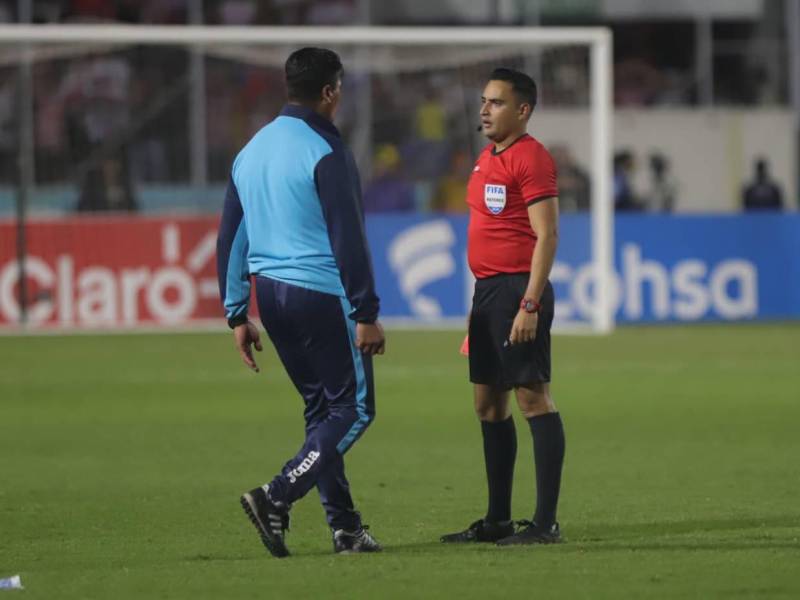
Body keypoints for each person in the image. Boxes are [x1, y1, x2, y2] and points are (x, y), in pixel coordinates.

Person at [216, 47, 385, 558]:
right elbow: (348, 236)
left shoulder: (252, 149)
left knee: (321, 416)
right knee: (353, 411)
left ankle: (347, 529)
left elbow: (231, 236)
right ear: (331, 92)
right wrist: (366, 312)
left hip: (271, 295)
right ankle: (276, 495)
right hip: (319, 292)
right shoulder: (326, 150)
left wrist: (237, 311)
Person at [440, 68, 565, 546]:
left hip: (518, 292)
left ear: (523, 110)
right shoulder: (486, 156)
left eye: (495, 102)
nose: (484, 110)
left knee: (533, 398)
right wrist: (482, 314)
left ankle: (545, 524)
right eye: (484, 101)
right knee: (488, 404)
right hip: (489, 295)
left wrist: (529, 302)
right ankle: (496, 520)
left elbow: (547, 235)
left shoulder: (532, 159)